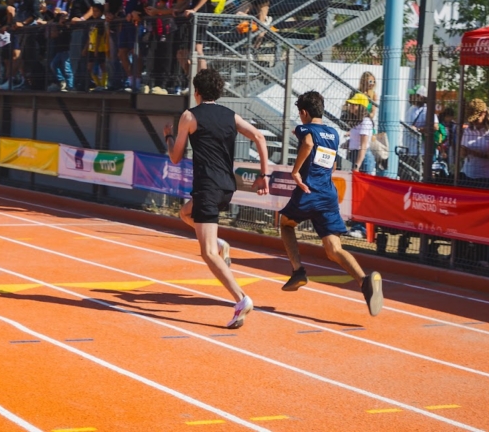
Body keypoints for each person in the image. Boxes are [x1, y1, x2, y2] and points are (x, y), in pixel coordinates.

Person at [163, 69, 270, 329]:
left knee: (207, 253)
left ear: (197, 92)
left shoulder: (189, 116)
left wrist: (168, 136)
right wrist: (264, 175)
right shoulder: (230, 115)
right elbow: (259, 136)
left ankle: (241, 299)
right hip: (226, 188)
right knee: (185, 214)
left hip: (208, 187)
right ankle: (221, 243)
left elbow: (175, 158)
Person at [277, 91, 383, 317]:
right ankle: (364, 281)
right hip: (328, 195)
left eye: (300, 114)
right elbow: (332, 164)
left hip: (308, 191)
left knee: (285, 223)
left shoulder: (305, 129)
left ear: (304, 113)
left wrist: (296, 171)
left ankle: (298, 271)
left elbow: (306, 142)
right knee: (334, 249)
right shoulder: (333, 133)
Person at [460, 98, 489, 190]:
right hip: (467, 176)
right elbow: (462, 153)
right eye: (471, 120)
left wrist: (481, 154)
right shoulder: (468, 130)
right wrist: (463, 152)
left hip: (487, 179)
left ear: (484, 113)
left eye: (476, 120)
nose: (473, 122)